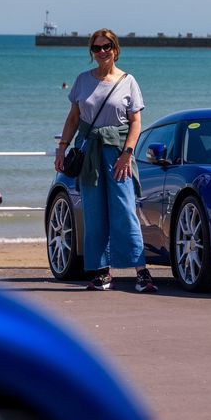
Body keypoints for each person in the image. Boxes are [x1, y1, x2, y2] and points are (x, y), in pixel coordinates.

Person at [54, 28, 155, 293]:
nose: (102, 52)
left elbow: (136, 123)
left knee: (124, 211)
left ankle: (141, 271)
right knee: (93, 212)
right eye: (97, 48)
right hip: (89, 154)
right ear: (92, 52)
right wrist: (61, 148)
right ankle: (102, 272)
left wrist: (128, 154)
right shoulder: (82, 81)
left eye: (106, 46)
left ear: (115, 49)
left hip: (118, 153)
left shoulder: (128, 81)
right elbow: (73, 119)